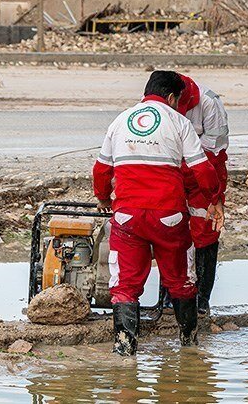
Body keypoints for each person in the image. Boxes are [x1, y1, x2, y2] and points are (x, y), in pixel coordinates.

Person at [93, 70, 224, 356]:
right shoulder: (179, 122)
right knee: (181, 281)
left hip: (127, 218)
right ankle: (189, 346)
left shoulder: (120, 121)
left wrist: (103, 198)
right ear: (172, 97)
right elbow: (202, 170)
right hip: (170, 217)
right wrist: (213, 199)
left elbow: (101, 170)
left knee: (125, 285)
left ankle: (125, 350)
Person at [170, 74, 229, 316]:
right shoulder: (160, 98)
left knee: (205, 231)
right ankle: (171, 295)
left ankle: (202, 299)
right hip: (172, 170)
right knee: (172, 227)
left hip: (206, 171)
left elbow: (213, 149)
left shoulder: (209, 103)